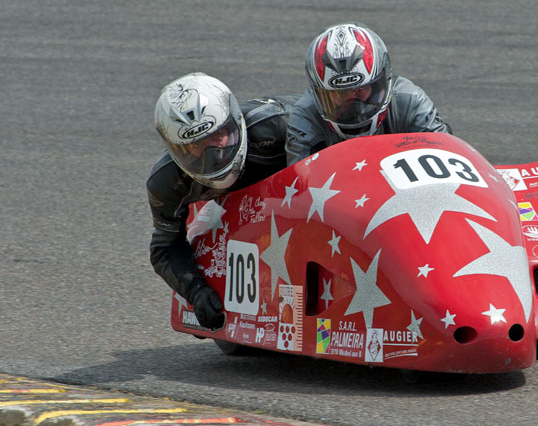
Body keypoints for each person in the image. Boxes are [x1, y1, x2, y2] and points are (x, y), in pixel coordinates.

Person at [148, 72, 299, 330]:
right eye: (197, 148)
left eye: (217, 137)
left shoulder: (280, 125)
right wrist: (196, 292)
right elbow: (164, 246)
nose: (214, 155)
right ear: (176, 150)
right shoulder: (166, 183)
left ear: (233, 121)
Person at [286, 22, 452, 164]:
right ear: (318, 96)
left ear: (383, 81)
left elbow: (446, 162)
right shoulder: (306, 116)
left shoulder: (410, 102)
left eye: (360, 90)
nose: (354, 107)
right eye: (340, 95)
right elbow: (301, 188)